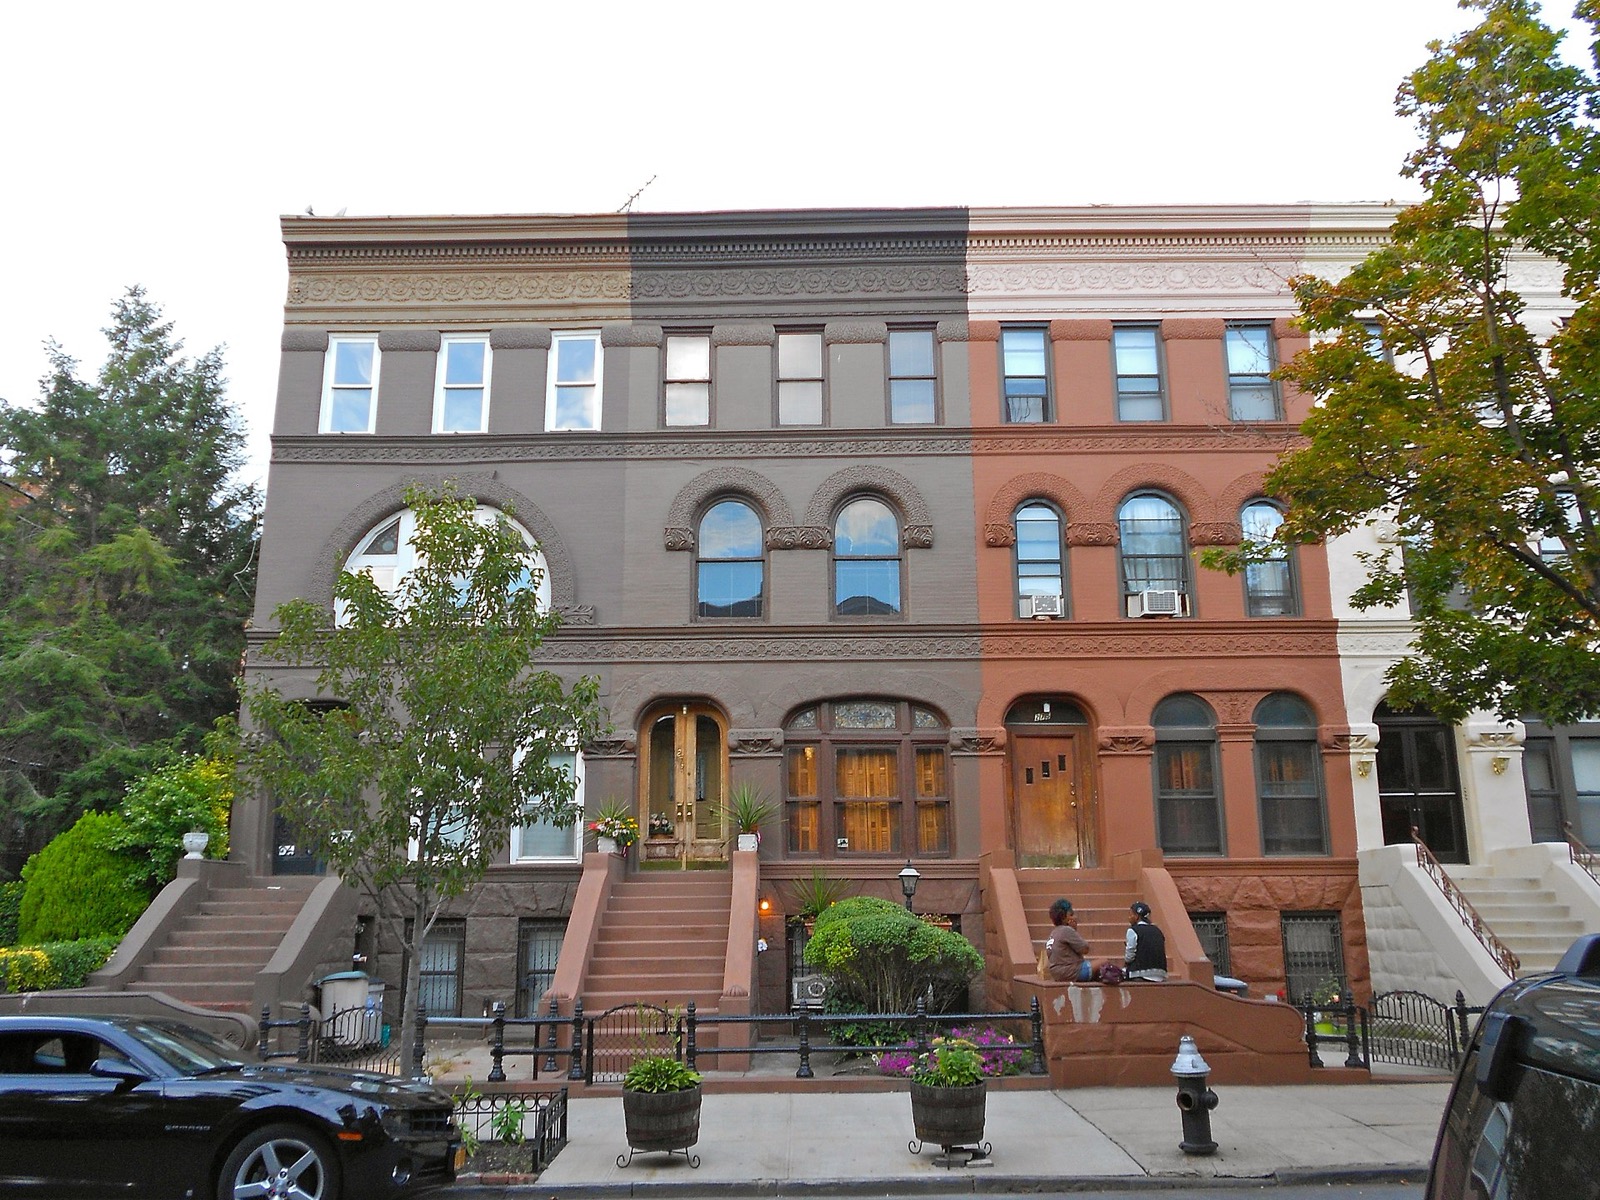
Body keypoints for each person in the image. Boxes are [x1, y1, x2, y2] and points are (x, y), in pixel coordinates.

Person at [1044, 898, 1094, 982]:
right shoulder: (1067, 930)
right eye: (1071, 914)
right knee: (1103, 963)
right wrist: (1074, 930)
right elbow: (1085, 949)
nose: (1075, 917)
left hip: (1056, 973)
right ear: (1064, 918)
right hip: (1070, 972)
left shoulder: (1053, 933)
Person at [1124, 901, 1168, 981]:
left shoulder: (1133, 930)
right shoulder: (1157, 930)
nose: (1129, 917)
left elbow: (1129, 957)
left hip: (1139, 974)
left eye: (1131, 914)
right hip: (1161, 975)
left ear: (1137, 916)